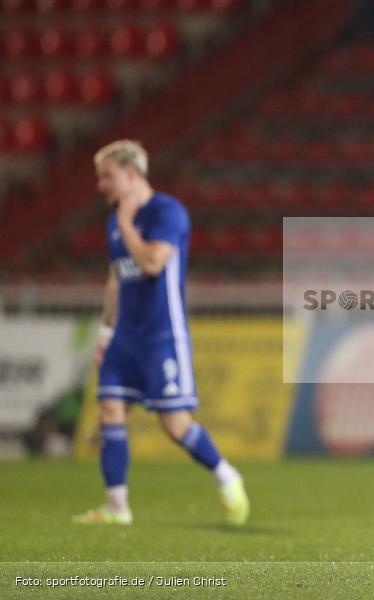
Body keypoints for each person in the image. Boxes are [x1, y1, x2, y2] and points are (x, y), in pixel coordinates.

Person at [72, 140, 249, 526]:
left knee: (175, 425)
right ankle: (117, 508)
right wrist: (105, 332)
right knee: (108, 409)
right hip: (124, 338)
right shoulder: (114, 222)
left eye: (108, 176)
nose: (101, 184)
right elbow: (117, 278)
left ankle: (226, 475)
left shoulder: (166, 212)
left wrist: (125, 226)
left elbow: (153, 262)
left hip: (162, 337)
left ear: (131, 175)